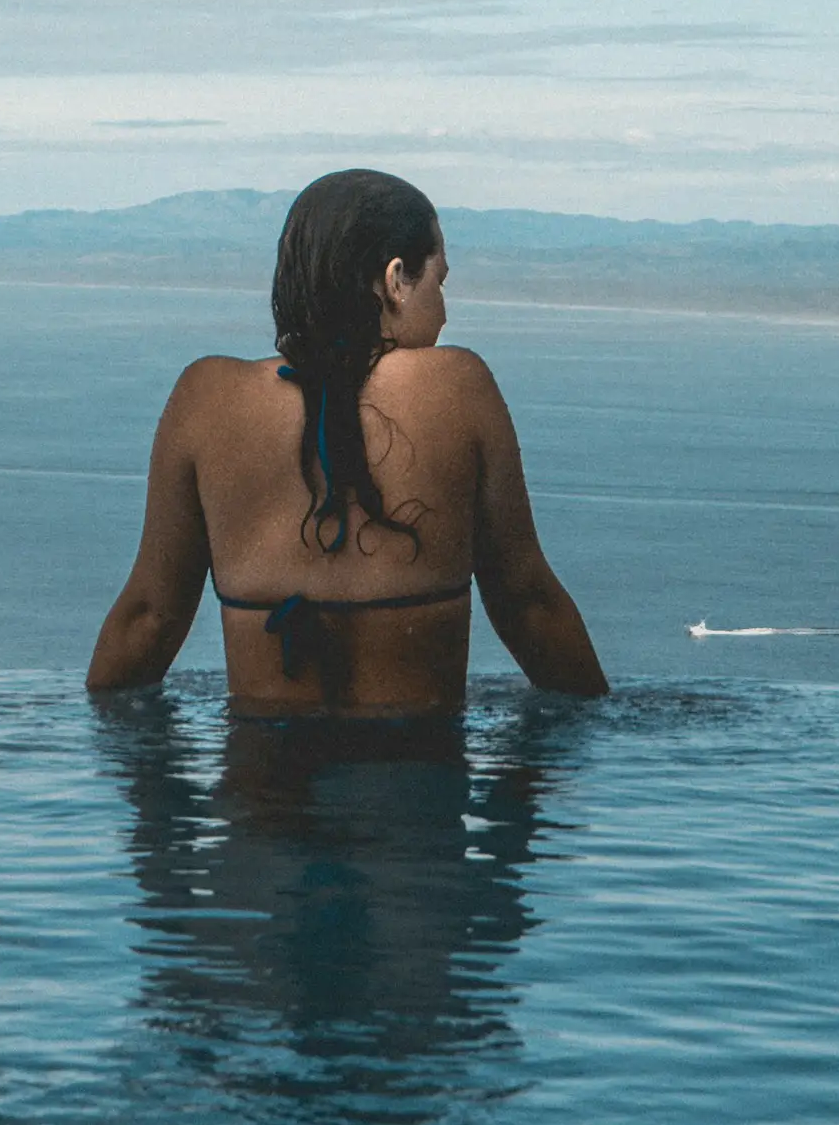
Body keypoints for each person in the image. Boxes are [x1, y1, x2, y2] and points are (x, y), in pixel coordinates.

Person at [87, 169, 607, 717]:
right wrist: (598, 731)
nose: (446, 310)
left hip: (265, 783)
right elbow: (529, 605)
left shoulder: (206, 399)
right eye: (440, 283)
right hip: (414, 782)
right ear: (395, 279)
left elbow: (148, 619)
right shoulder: (457, 386)